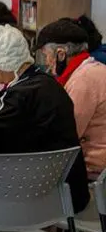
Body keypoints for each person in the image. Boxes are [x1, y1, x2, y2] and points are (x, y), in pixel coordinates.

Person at [0, 24, 90, 213]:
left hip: (35, 201)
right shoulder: (50, 85)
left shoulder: (18, 97)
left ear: (1, 64)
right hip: (71, 192)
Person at [35, 19, 106, 178]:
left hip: (94, 171)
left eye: (46, 55)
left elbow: (66, 133)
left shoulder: (83, 80)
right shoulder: (93, 69)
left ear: (61, 54)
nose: (47, 63)